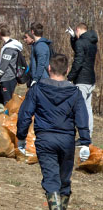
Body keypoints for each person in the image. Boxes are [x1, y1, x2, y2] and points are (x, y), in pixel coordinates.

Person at [16, 54, 92, 210]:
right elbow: (82, 117)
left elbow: (25, 115)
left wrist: (21, 137)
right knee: (64, 181)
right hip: (67, 141)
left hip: (45, 139)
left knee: (52, 180)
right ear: (67, 70)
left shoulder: (37, 89)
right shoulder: (75, 93)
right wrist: (85, 142)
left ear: (48, 68)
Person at [66, 22, 97, 137]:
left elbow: (78, 61)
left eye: (75, 32)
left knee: (79, 109)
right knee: (88, 108)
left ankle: (83, 137)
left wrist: (70, 77)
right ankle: (88, 134)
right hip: (90, 79)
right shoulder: (92, 41)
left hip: (81, 80)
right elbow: (79, 49)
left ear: (77, 29)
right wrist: (73, 38)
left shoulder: (81, 42)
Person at [0, 23, 24, 105]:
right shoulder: (10, 44)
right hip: (6, 78)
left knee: (7, 104)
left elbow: (3, 67)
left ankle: (9, 117)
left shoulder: (9, 48)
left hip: (8, 79)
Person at [29, 23, 53, 87]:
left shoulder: (40, 46)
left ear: (32, 32)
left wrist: (36, 79)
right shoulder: (37, 44)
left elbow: (41, 64)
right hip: (40, 79)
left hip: (42, 80)